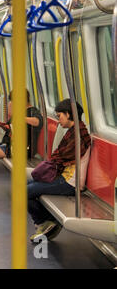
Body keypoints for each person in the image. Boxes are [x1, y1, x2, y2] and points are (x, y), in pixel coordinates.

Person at [28, 99, 90, 242]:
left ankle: (45, 221)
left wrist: (52, 160)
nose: (58, 120)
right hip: (63, 177)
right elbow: (59, 155)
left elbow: (61, 156)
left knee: (24, 192)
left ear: (68, 114)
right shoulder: (73, 132)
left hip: (70, 182)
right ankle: (48, 222)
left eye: (59, 116)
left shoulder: (78, 136)